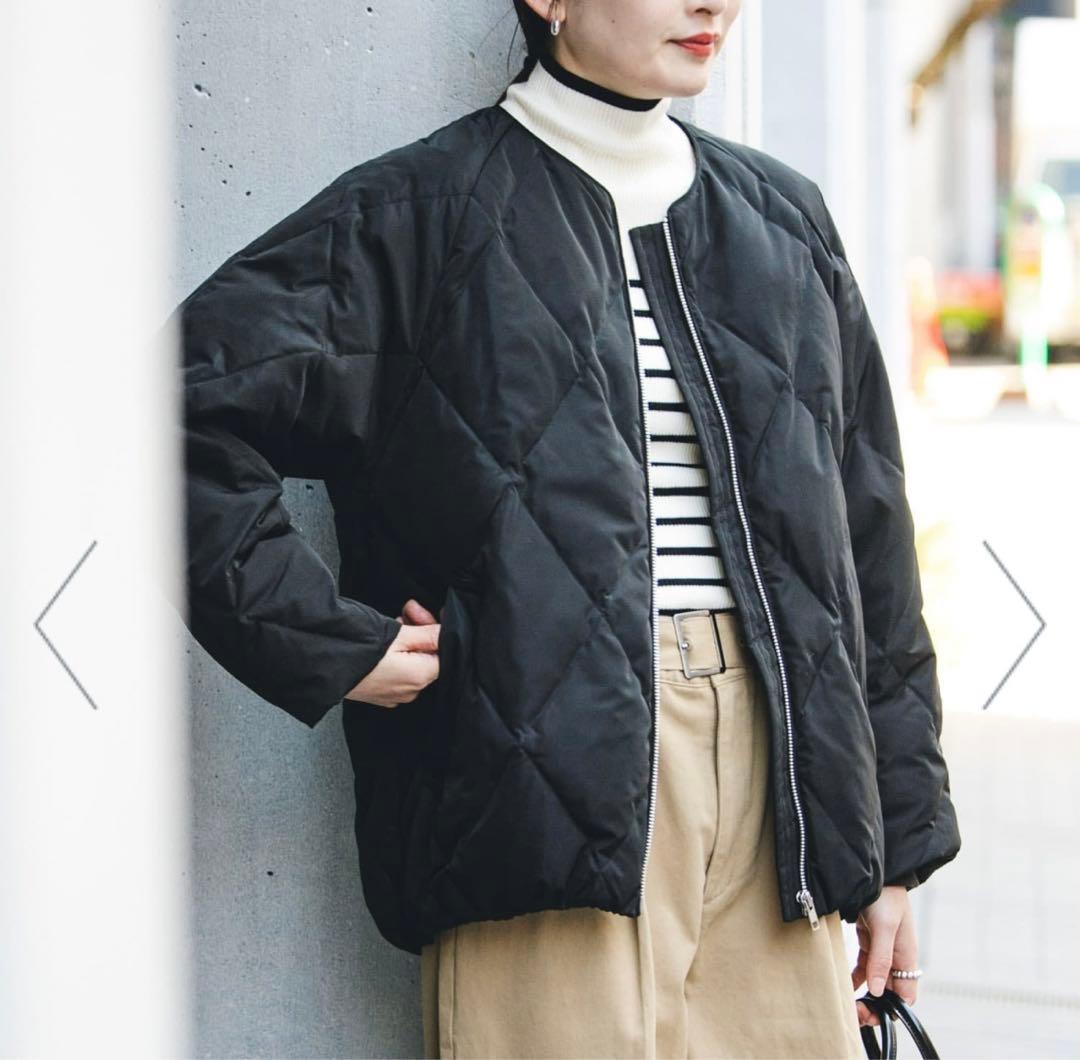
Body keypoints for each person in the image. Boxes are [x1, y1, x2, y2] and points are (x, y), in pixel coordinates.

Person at [172, 0, 962, 1056]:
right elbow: (175, 412)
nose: (714, 4)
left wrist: (896, 844)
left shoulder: (783, 219)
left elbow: (870, 543)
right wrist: (330, 642)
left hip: (786, 793)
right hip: (539, 783)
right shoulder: (421, 216)